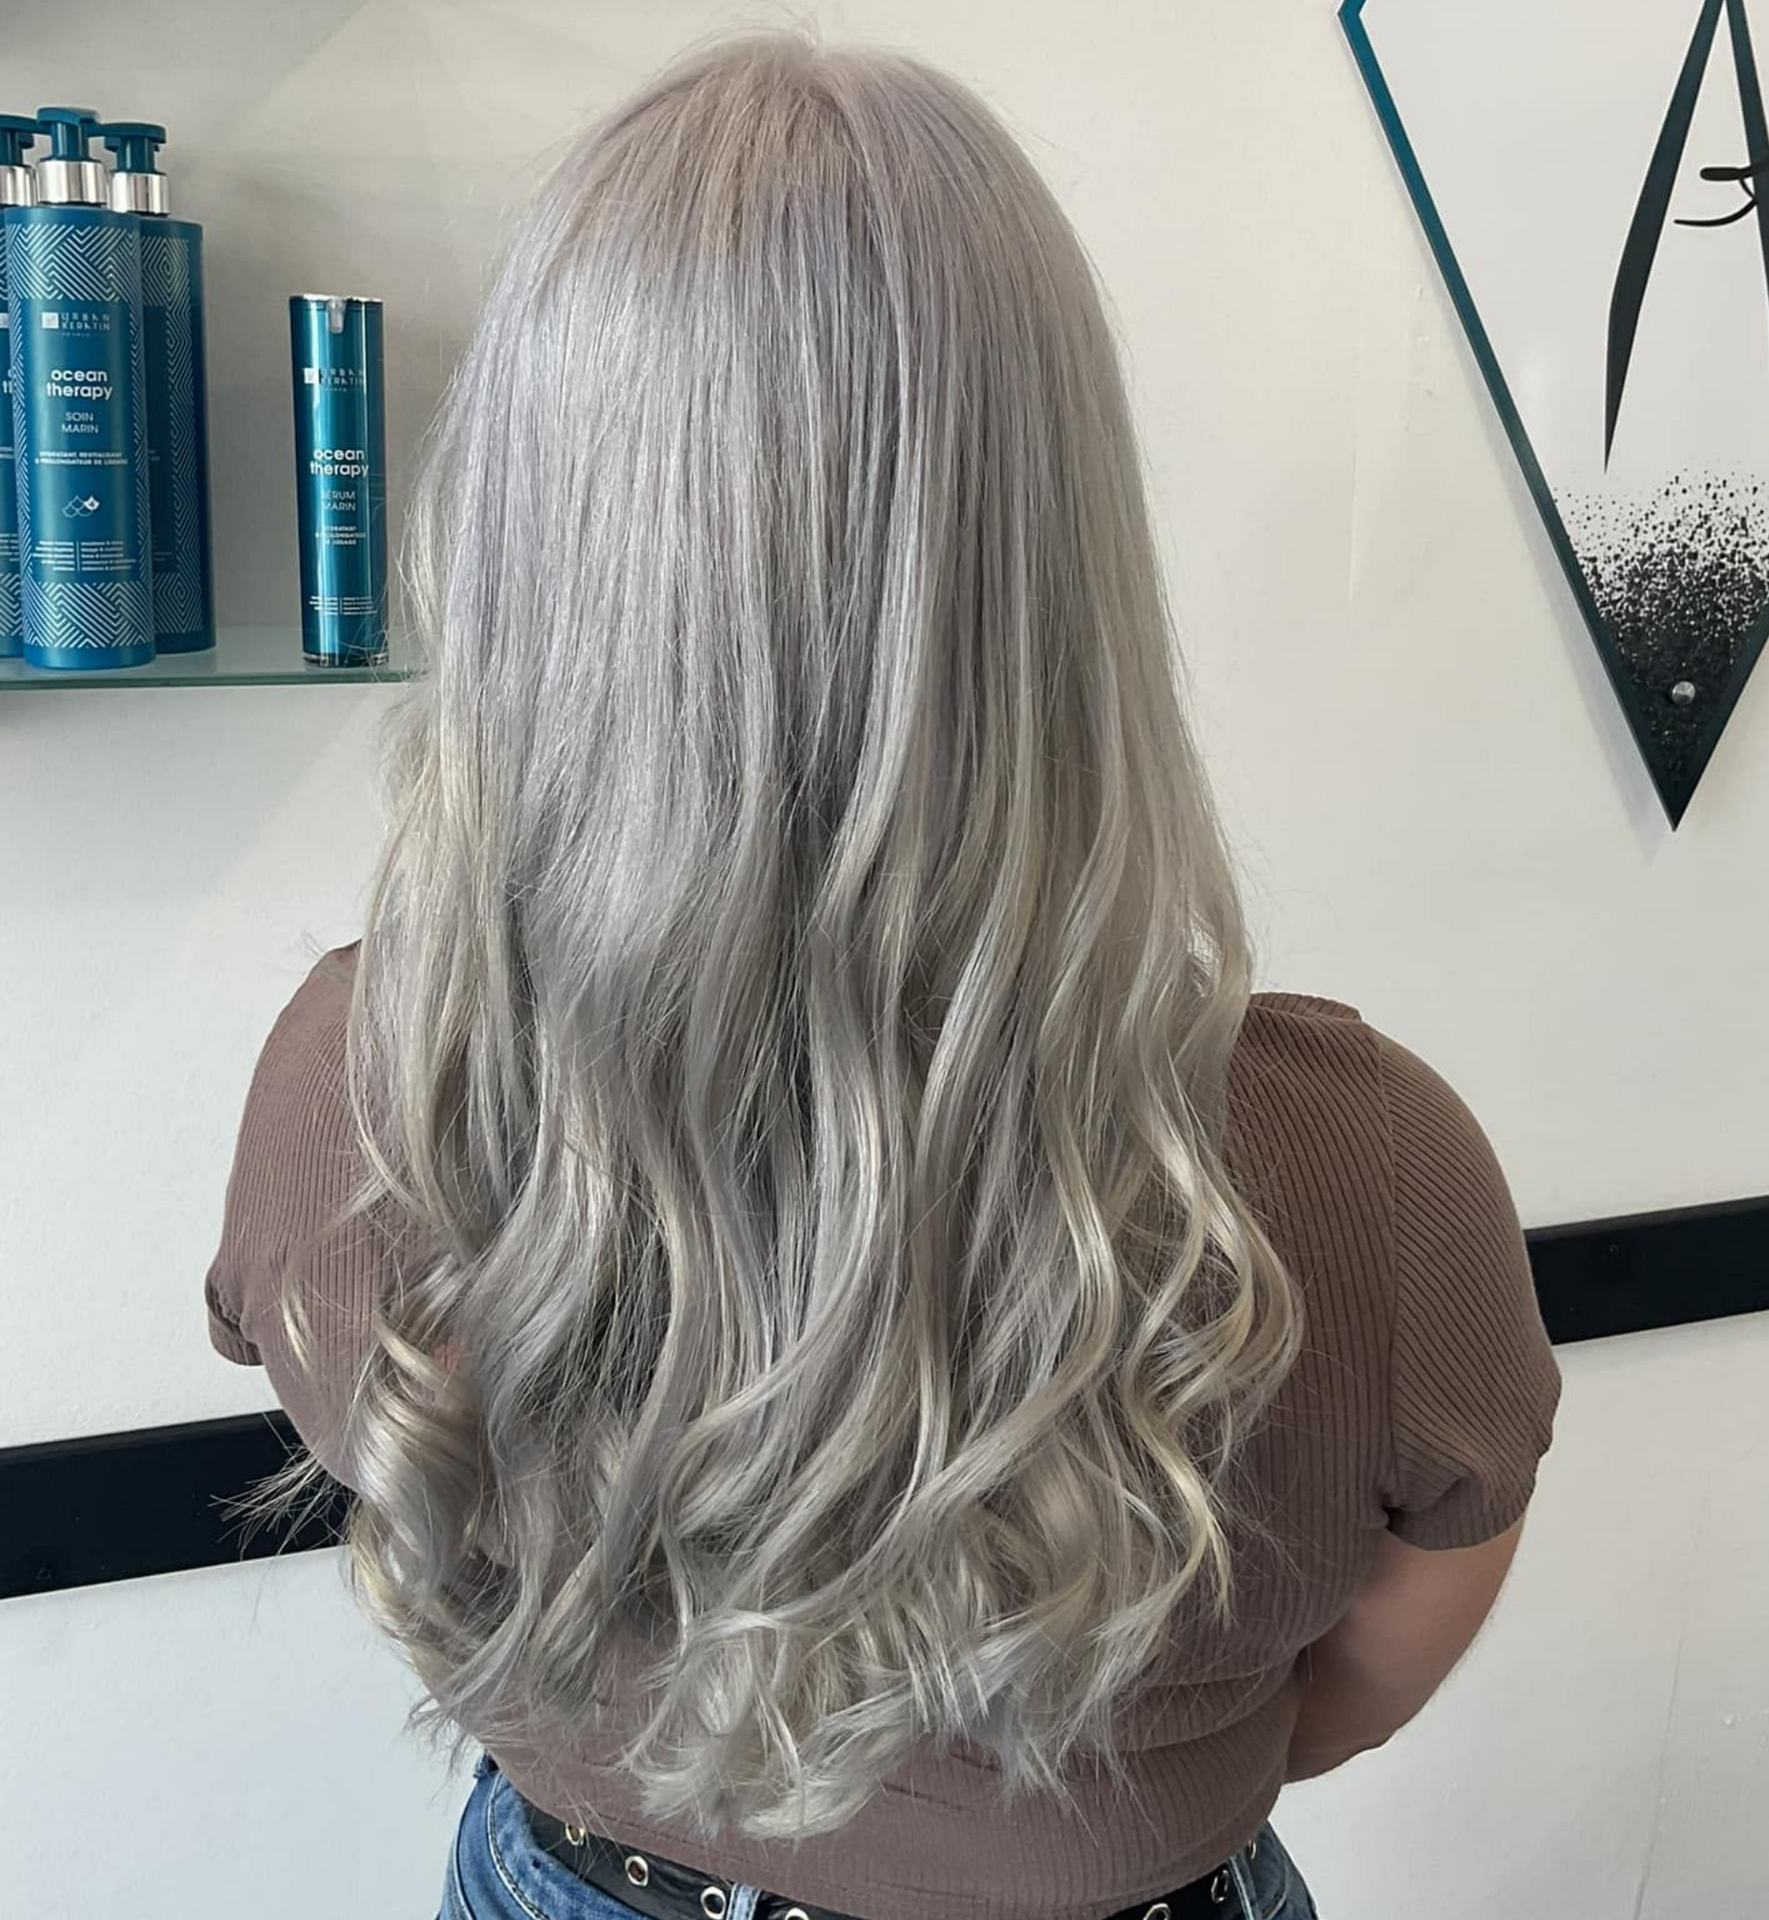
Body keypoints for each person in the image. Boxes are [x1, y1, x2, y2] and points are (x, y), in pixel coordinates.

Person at [204, 33, 1560, 1920]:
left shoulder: (357, 1089)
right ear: (1061, 550)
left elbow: (411, 1506)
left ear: (528, 537)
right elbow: (1352, 1688)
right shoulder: (1366, 1175)